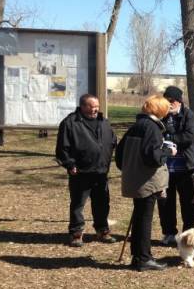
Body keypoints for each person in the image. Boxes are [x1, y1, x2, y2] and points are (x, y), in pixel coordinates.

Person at [116, 95, 177, 271]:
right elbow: (153, 158)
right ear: (160, 111)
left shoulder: (135, 126)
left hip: (134, 179)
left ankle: (138, 256)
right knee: (144, 220)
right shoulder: (152, 128)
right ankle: (143, 258)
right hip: (147, 181)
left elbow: (119, 156)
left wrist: (130, 169)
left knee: (139, 218)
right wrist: (167, 151)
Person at [55, 94, 117, 247]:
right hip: (80, 172)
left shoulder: (104, 122)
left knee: (102, 203)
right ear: (83, 106)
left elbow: (113, 141)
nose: (95, 109)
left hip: (101, 171)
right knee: (78, 204)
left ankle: (102, 230)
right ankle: (76, 233)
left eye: (97, 106)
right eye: (91, 106)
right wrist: (70, 165)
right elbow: (62, 148)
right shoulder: (70, 123)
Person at [158, 86, 194, 246]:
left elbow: (189, 136)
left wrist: (170, 137)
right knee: (165, 202)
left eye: (171, 101)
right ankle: (169, 233)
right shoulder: (161, 115)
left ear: (179, 101)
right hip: (166, 168)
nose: (169, 104)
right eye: (166, 101)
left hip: (186, 167)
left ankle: (188, 234)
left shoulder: (189, 115)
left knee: (188, 203)